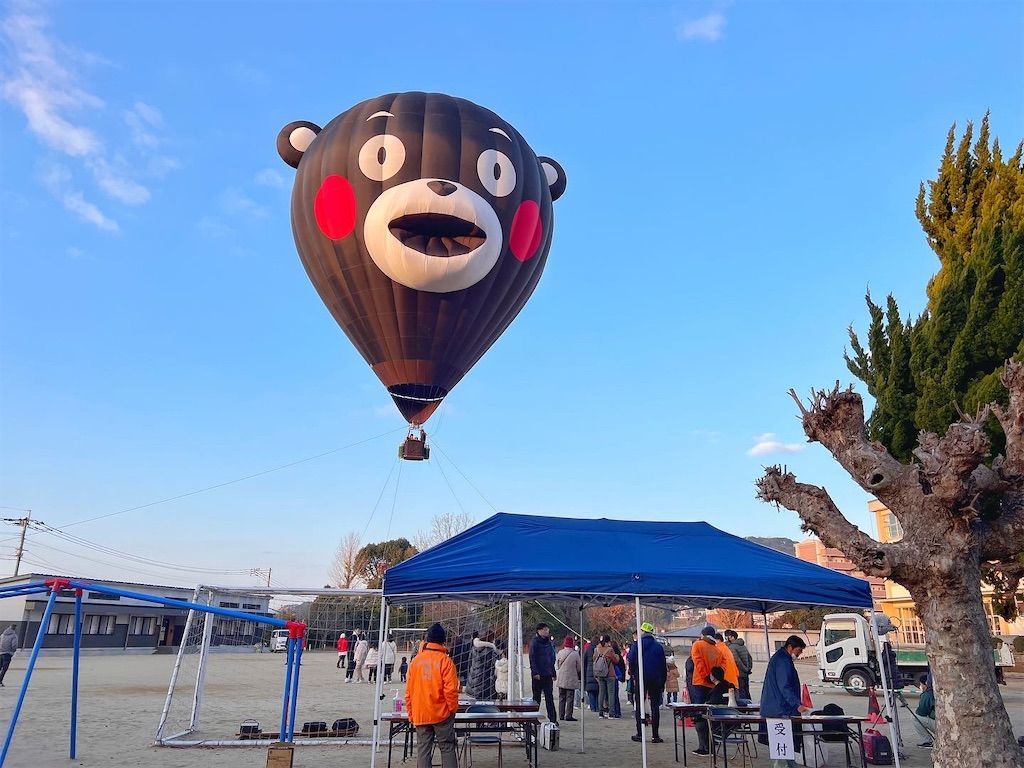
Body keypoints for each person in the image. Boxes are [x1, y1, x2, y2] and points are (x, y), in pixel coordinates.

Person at [406, 623, 460, 768]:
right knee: (447, 748)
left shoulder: (416, 661)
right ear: (443, 641)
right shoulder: (446, 661)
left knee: (423, 751)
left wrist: (412, 713)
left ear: (427, 639)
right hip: (442, 714)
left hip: (420, 713)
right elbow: (451, 691)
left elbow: (409, 691)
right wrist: (452, 710)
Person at [760, 635, 810, 768]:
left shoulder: (781, 658)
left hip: (776, 705)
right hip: (780, 708)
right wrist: (797, 704)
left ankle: (787, 763)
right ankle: (786, 764)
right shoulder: (783, 661)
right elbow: (784, 686)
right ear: (790, 647)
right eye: (799, 650)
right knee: (784, 740)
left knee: (783, 742)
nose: (799, 654)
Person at [628, 621, 667, 744]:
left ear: (643, 631)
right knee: (655, 706)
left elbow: (631, 659)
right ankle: (655, 735)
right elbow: (663, 665)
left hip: (641, 677)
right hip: (656, 679)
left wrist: (634, 674)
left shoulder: (637, 644)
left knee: (639, 704)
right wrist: (663, 681)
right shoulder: (659, 646)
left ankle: (640, 733)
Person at [689, 625, 720, 755]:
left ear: (703, 634)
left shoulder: (697, 645)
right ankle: (711, 744)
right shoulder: (716, 648)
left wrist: (705, 676)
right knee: (709, 714)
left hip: (700, 682)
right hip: (712, 684)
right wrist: (711, 679)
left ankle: (704, 747)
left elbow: (698, 662)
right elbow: (719, 667)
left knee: (699, 714)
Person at [694, 666, 735, 753]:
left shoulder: (718, 688)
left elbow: (713, 702)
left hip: (719, 715)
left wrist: (705, 704)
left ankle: (706, 748)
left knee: (699, 722)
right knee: (699, 719)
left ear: (713, 677)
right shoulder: (728, 685)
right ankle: (703, 747)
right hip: (729, 716)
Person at [529, 623, 558, 722]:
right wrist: (535, 672)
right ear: (539, 630)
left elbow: (551, 658)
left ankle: (553, 719)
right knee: (536, 698)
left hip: (548, 674)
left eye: (547, 629)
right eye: (545, 629)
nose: (547, 631)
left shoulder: (549, 642)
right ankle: (533, 718)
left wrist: (553, 672)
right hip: (538, 675)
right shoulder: (534, 642)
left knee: (549, 697)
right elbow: (532, 658)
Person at [555, 635, 581, 721]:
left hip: (561, 678)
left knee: (561, 697)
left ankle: (561, 715)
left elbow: (558, 665)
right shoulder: (575, 654)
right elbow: (579, 667)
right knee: (570, 697)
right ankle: (568, 715)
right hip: (571, 678)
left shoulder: (560, 652)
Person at [467, 629, 498, 700]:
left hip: (473, 678)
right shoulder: (489, 650)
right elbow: (491, 666)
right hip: (484, 680)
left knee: (477, 702)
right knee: (487, 702)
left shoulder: (473, 648)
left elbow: (469, 662)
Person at [594, 635, 620, 718]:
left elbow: (594, 659)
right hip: (610, 673)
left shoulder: (596, 649)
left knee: (601, 692)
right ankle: (611, 713)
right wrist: (617, 656)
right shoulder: (609, 650)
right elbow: (615, 660)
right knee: (611, 693)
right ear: (608, 641)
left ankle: (600, 712)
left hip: (600, 673)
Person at [723, 630, 753, 701]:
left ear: (732, 637)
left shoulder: (732, 647)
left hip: (739, 673)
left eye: (728, 636)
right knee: (746, 691)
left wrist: (744, 669)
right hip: (746, 673)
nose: (727, 638)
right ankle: (750, 707)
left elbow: (736, 660)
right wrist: (748, 669)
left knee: (741, 693)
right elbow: (750, 658)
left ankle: (743, 709)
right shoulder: (743, 646)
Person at [914, 674, 936, 748]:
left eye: (921, 684)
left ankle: (927, 741)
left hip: (938, 724)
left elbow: (921, 712)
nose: (920, 686)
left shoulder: (927, 694)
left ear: (925, 684)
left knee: (915, 718)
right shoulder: (934, 691)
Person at [582, 640, 599, 712]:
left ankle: (592, 707)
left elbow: (584, 662)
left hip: (588, 672)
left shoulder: (587, 650)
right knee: (598, 691)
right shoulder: (599, 650)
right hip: (597, 671)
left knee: (590, 691)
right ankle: (597, 706)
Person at [610, 640, 625, 718]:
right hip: (616, 676)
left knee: (612, 695)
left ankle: (614, 711)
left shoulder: (613, 656)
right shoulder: (619, 656)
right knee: (615, 695)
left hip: (612, 676)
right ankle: (617, 711)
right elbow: (622, 667)